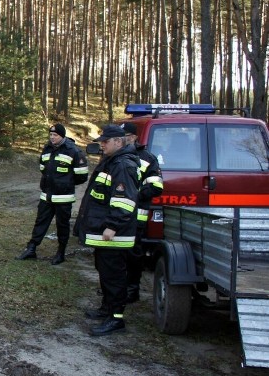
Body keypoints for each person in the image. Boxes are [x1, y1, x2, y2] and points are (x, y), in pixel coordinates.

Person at [76, 124, 140, 336]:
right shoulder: (112, 162)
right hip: (105, 232)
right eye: (101, 141)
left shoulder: (122, 165)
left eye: (106, 141)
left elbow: (124, 201)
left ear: (119, 142)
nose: (101, 144)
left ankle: (116, 318)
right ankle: (106, 308)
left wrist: (113, 226)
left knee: (114, 276)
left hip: (114, 234)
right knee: (105, 271)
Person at [16, 124, 89, 265]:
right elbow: (43, 168)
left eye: (55, 135)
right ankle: (31, 248)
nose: (52, 138)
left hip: (64, 197)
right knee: (40, 222)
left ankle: (60, 253)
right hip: (47, 195)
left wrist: (65, 183)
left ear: (62, 136)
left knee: (62, 226)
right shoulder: (47, 148)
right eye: (50, 135)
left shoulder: (73, 151)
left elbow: (81, 176)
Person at [122, 122, 164, 303]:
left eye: (124, 136)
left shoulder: (147, 158)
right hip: (116, 215)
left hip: (136, 216)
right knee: (116, 255)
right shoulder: (115, 157)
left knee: (133, 254)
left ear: (133, 137)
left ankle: (132, 290)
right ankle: (117, 287)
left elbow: (156, 187)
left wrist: (134, 194)